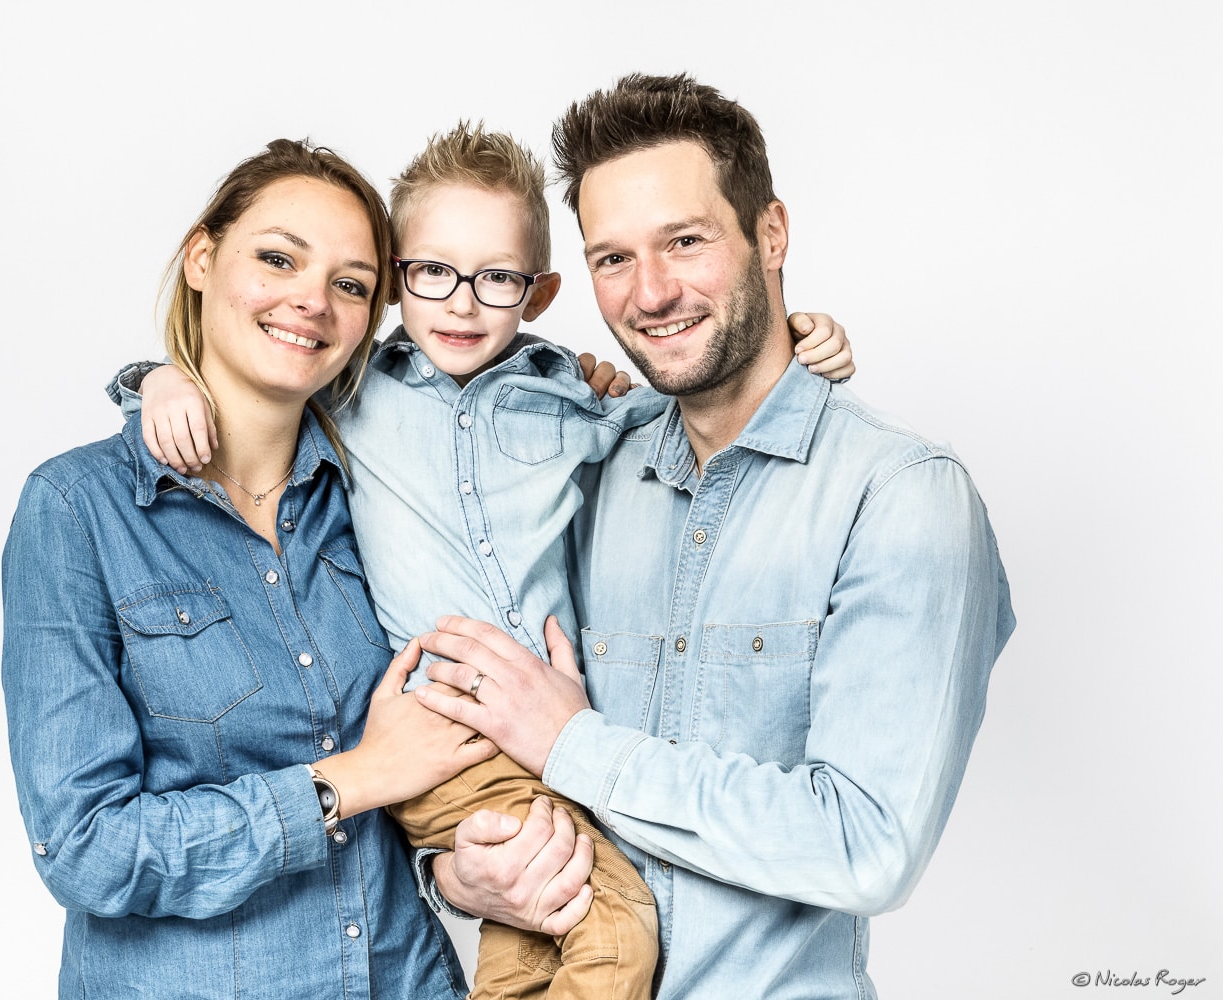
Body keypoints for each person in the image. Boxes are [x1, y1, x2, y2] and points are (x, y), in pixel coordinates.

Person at [121, 123, 855, 999]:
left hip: (558, 735)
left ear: (538, 292)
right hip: (445, 735)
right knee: (618, 933)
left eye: (496, 278)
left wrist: (795, 335)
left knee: (530, 938)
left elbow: (695, 408)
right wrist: (158, 380)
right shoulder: (355, 393)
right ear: (396, 281)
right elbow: (259, 367)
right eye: (433, 272)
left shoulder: (569, 397)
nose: (462, 304)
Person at [413, 74, 1017, 999]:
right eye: (612, 258)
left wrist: (572, 742)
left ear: (771, 233)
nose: (650, 293)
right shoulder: (584, 466)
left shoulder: (901, 498)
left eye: (684, 241)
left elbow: (867, 845)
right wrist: (459, 877)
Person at [0, 139, 502, 1000]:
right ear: (202, 257)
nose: (312, 301)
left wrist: (457, 869)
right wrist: (352, 779)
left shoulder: (379, 500)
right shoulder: (78, 510)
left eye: (351, 284)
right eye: (277, 258)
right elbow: (86, 849)